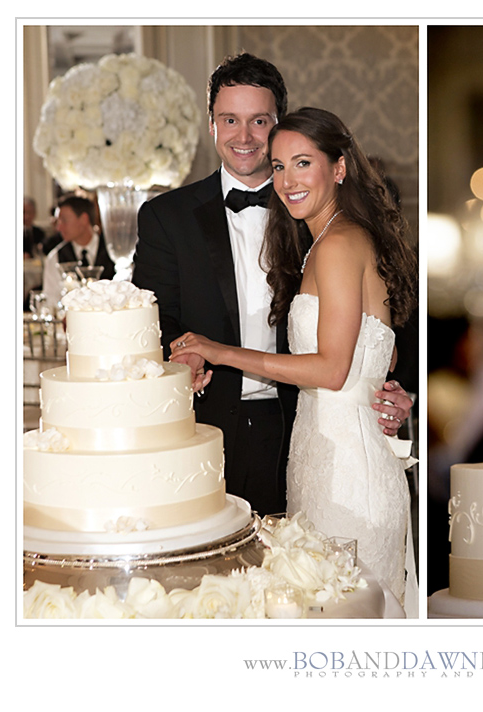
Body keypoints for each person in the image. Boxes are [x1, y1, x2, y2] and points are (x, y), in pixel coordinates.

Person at [132, 53, 413, 519]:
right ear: (211, 125)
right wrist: (186, 355)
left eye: (259, 121)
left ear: (278, 123)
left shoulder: (316, 214)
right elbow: (155, 319)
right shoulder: (166, 217)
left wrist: (385, 388)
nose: (244, 136)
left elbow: (376, 331)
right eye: (230, 120)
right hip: (204, 426)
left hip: (298, 427)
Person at [170, 107, 418, 606]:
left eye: (303, 163)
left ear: (339, 167)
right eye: (279, 166)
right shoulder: (328, 239)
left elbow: (332, 369)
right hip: (322, 456)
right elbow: (378, 354)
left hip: (347, 474)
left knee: (341, 612)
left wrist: (220, 352)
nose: (287, 181)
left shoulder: (339, 243)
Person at [42, 195, 115, 308]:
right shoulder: (55, 257)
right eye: (58, 222)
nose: (59, 228)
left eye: (64, 221)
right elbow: (50, 301)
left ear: (84, 219)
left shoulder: (113, 251)